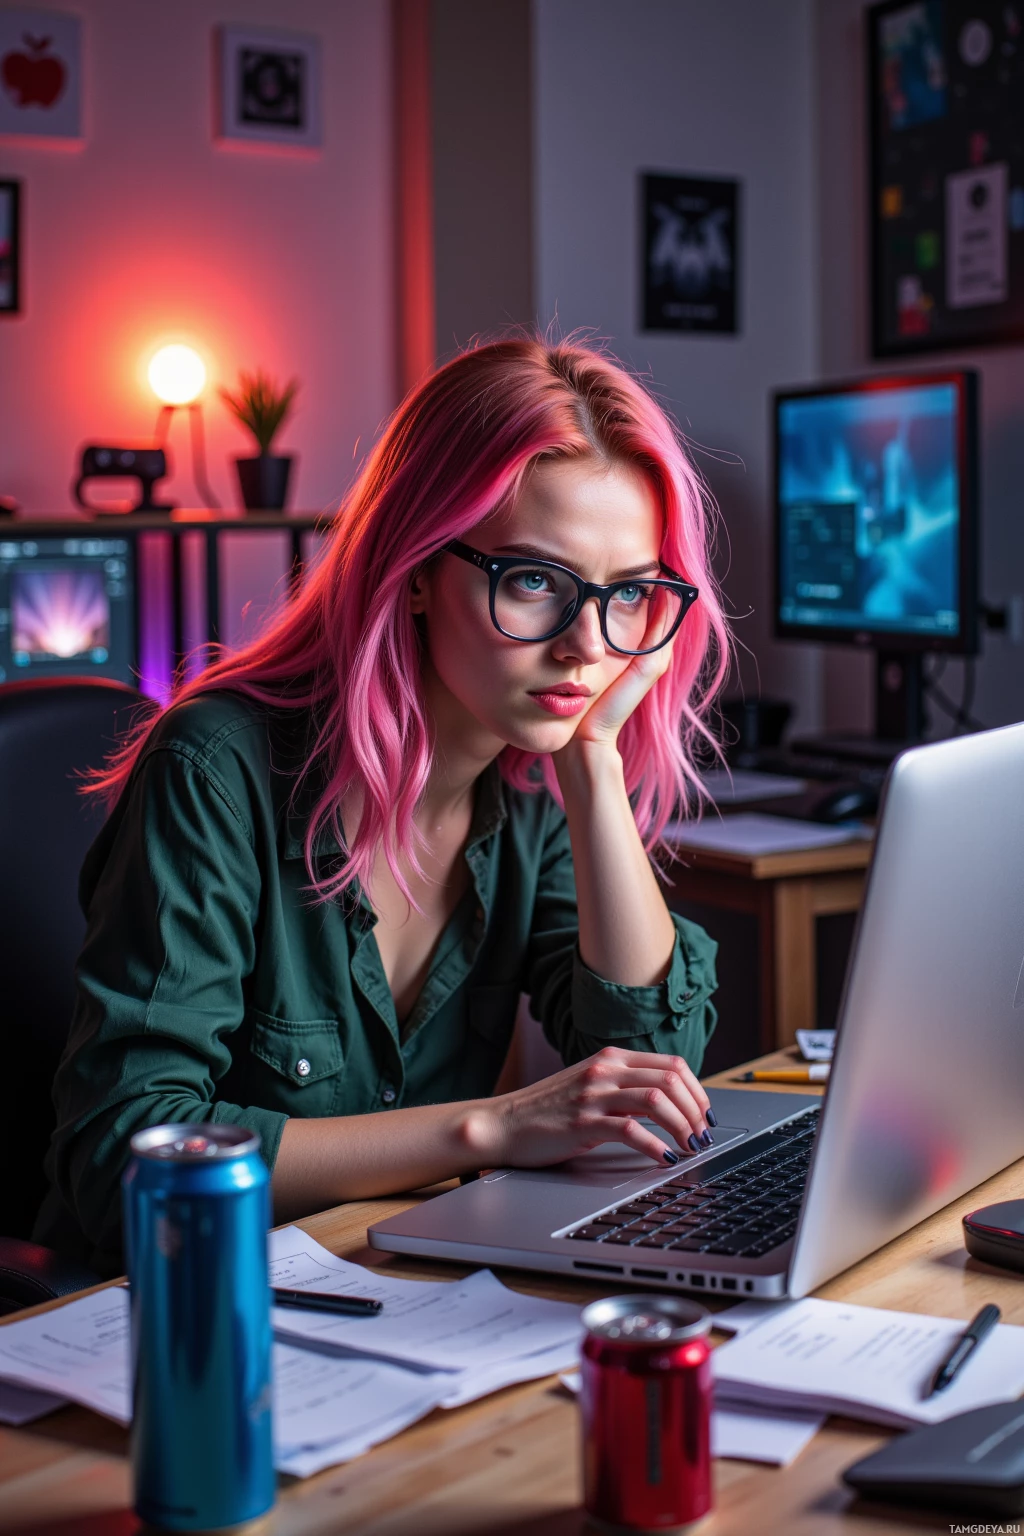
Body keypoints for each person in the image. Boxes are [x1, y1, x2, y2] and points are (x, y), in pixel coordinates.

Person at [36, 338, 729, 1274]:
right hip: (173, 1309)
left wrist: (597, 762)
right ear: (413, 573)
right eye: (534, 581)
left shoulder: (532, 783)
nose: (585, 647)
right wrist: (490, 1128)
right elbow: (132, 1152)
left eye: (630, 594)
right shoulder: (215, 769)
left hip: (395, 1292)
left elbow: (647, 1063)